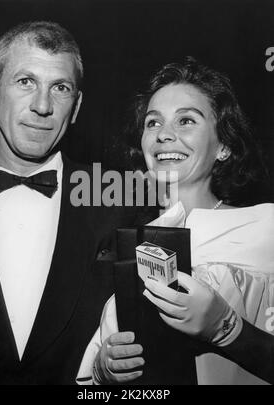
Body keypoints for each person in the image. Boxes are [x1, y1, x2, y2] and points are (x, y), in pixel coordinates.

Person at [76, 58, 274, 385]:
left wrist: (228, 330)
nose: (164, 135)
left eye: (186, 121)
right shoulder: (125, 245)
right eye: (153, 123)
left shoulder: (265, 228)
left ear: (223, 145)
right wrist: (105, 369)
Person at [0, 21, 135, 384]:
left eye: (60, 88)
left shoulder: (121, 204)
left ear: (76, 107)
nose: (43, 105)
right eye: (25, 82)